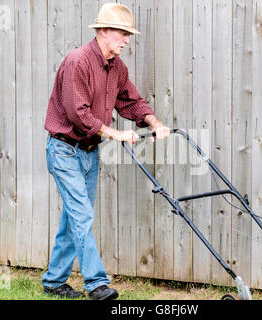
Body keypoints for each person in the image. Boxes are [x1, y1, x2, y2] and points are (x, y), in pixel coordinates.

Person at [41, 3, 170, 300]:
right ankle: (97, 284)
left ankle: (53, 281)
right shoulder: (78, 61)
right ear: (102, 31)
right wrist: (116, 134)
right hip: (64, 150)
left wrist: (154, 123)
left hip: (89, 153)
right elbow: (78, 114)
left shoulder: (117, 68)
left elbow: (132, 102)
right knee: (82, 215)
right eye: (122, 33)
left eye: (128, 34)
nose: (126, 39)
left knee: (74, 217)